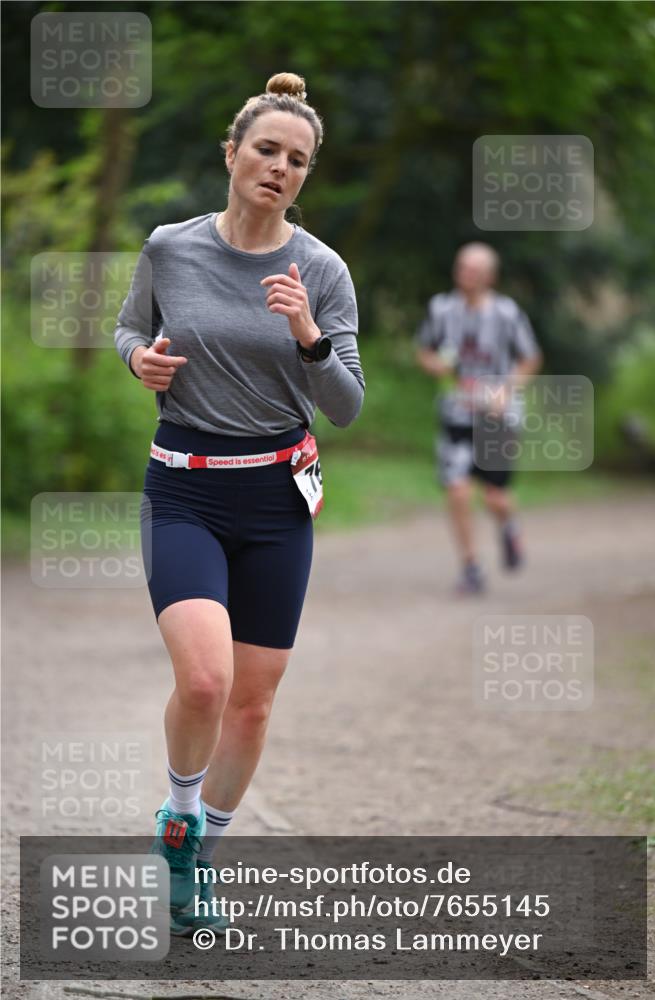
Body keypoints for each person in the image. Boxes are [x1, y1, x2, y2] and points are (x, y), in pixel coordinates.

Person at [113, 72, 364, 934]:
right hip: (182, 484)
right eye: (266, 149)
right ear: (231, 154)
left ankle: (199, 853)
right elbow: (127, 327)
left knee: (253, 701)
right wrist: (136, 360)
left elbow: (346, 404)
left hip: (275, 498)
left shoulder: (321, 269)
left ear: (304, 175)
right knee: (208, 679)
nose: (279, 168)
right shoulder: (169, 248)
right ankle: (179, 812)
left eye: (297, 160)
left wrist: (307, 335)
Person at [415, 242, 541, 594]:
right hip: (456, 413)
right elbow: (423, 350)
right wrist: (435, 364)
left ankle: (509, 526)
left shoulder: (506, 313)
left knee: (494, 497)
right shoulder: (441, 309)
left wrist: (507, 390)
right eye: (461, 266)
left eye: (472, 269)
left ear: (489, 276)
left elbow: (530, 358)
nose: (464, 274)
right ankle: (471, 565)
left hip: (496, 418)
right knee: (457, 490)